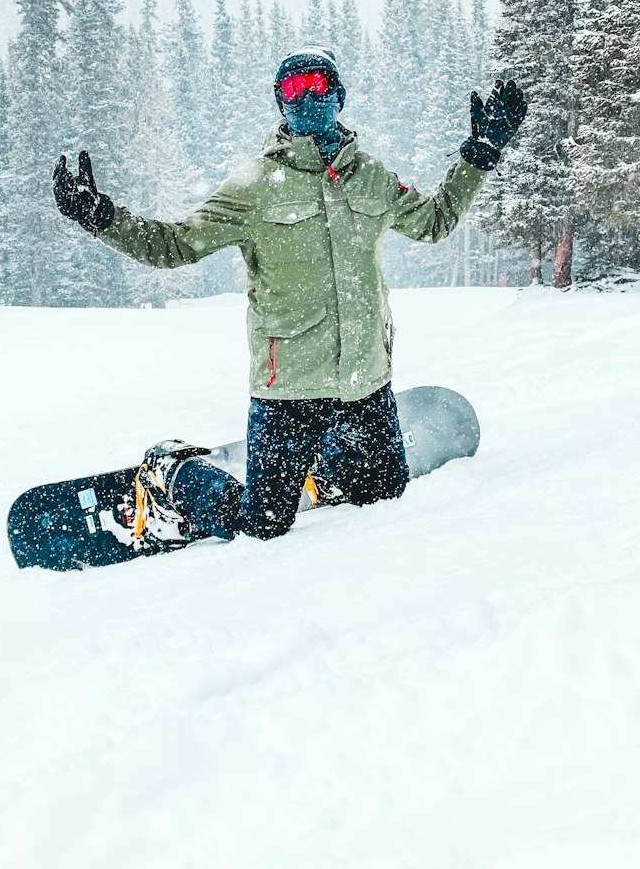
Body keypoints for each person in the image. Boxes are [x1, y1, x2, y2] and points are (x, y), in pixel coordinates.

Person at [53, 47, 526, 547]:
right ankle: (174, 472)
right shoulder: (254, 187)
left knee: (385, 497)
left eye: (316, 85)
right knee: (263, 524)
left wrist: (479, 155)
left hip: (365, 379)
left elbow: (434, 222)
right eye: (292, 90)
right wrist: (100, 217)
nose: (305, 98)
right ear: (280, 103)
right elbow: (174, 246)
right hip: (288, 390)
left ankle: (327, 458)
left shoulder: (371, 177)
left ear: (338, 95)